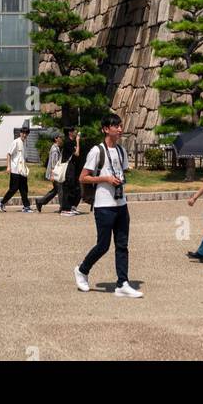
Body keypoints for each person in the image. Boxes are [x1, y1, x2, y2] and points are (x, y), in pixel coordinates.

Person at [74, 114, 143, 297]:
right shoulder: (97, 151)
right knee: (103, 245)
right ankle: (82, 270)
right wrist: (104, 178)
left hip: (121, 203)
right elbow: (83, 177)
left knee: (122, 244)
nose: (119, 129)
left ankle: (123, 283)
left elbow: (122, 171)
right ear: (106, 129)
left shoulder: (120, 150)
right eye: (115, 126)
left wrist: (119, 179)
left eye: (120, 126)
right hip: (104, 204)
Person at [0, 124, 31, 212]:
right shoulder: (16, 142)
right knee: (13, 188)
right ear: (20, 133)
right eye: (23, 133)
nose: (24, 135)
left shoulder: (25, 143)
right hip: (15, 169)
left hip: (22, 170)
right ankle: (2, 202)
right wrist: (8, 166)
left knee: (24, 188)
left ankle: (26, 206)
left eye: (26, 133)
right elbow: (9, 154)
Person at [35, 133, 63, 212]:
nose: (61, 139)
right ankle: (62, 208)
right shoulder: (54, 149)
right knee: (60, 190)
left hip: (55, 173)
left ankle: (40, 202)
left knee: (56, 190)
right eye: (60, 137)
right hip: (55, 173)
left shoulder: (56, 148)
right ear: (56, 139)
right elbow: (54, 163)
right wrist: (53, 175)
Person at [59, 126, 82, 215]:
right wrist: (78, 141)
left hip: (73, 167)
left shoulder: (72, 141)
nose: (75, 132)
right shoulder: (68, 142)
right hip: (68, 167)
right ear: (69, 133)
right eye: (73, 131)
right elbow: (77, 153)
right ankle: (65, 208)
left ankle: (72, 206)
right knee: (67, 187)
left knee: (74, 187)